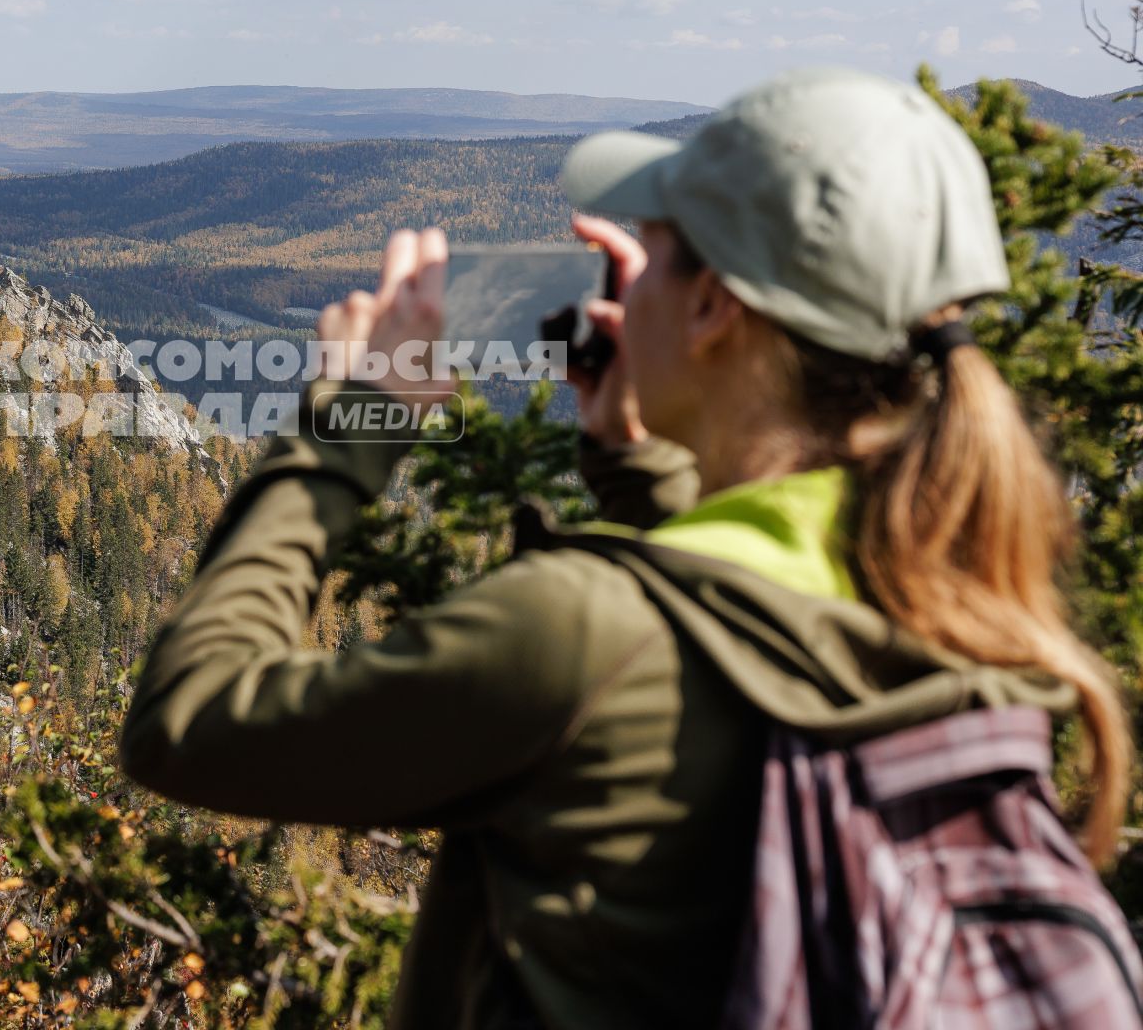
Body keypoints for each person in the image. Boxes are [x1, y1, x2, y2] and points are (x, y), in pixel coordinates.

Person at [117, 66, 1132, 1029]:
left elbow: (190, 722)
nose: (625, 281)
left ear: (710, 306)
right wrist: (646, 472)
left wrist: (353, 428)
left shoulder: (585, 630)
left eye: (655, 246)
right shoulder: (969, 602)